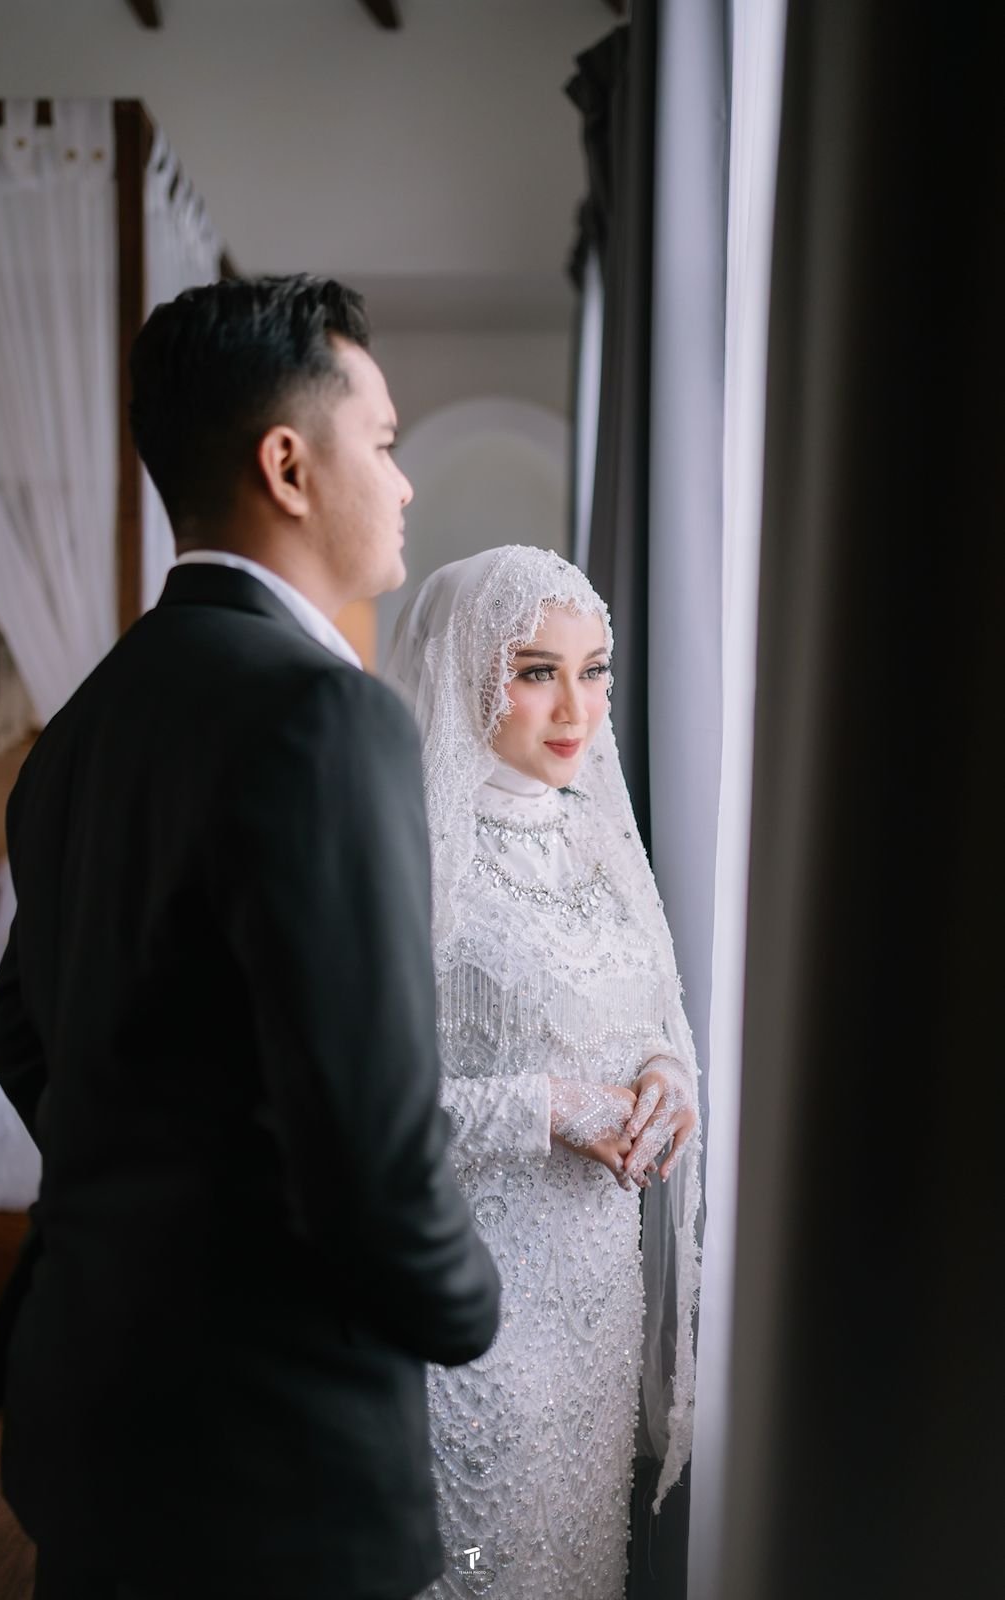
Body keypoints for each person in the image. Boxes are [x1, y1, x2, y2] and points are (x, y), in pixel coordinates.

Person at [0, 275, 501, 1600]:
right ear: (288, 465)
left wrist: (151, 1189)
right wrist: (466, 1306)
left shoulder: (80, 726)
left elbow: (22, 1028)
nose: (403, 483)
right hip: (270, 1451)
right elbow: (370, 1134)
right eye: (382, 442)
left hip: (89, 1412)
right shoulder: (328, 716)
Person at [385, 545, 701, 1600]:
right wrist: (552, 1109)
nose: (577, 709)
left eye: (594, 670)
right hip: (471, 1310)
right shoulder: (414, 860)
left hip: (594, 1311)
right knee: (478, 1569)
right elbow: (364, 1109)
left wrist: (663, 1074)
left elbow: (648, 1014)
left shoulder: (595, 842)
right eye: (536, 671)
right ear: (466, 672)